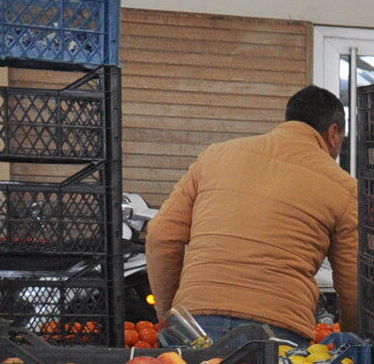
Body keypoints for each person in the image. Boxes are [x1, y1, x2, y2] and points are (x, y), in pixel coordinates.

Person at [147, 85, 360, 346]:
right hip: (279, 329)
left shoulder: (216, 156)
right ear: (333, 133)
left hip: (196, 322)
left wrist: (171, 314)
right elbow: (353, 284)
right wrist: (353, 338)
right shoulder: (344, 187)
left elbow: (161, 234)